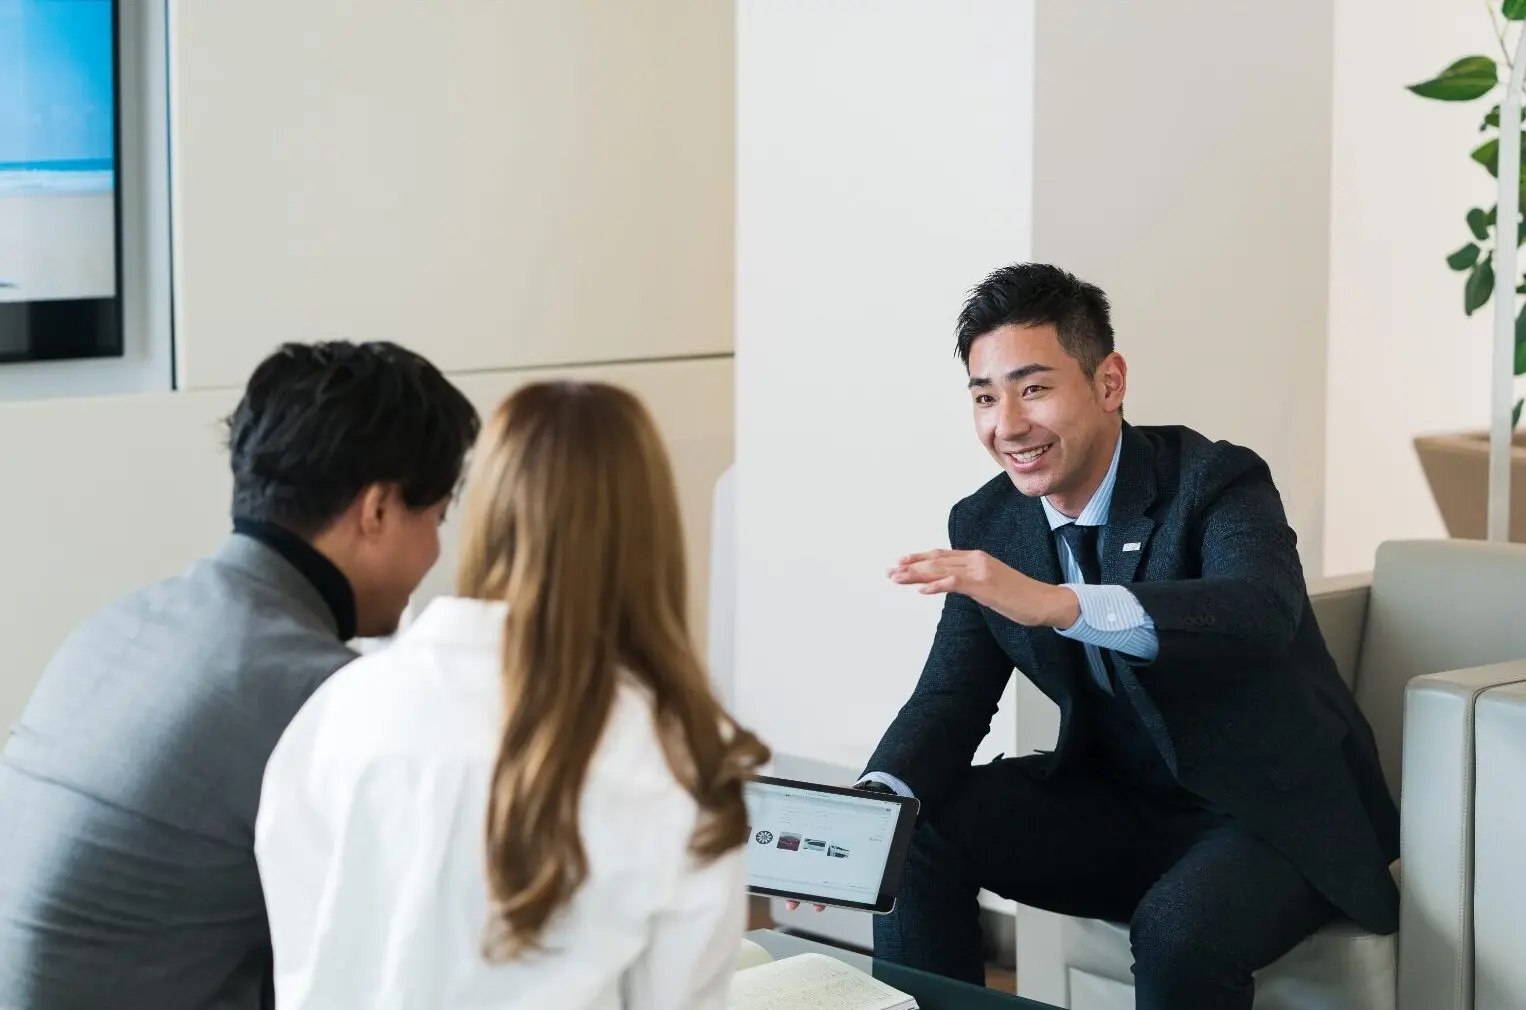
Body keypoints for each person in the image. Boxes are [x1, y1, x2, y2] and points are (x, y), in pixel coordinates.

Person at [855, 264, 1399, 1009]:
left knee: (1178, 930)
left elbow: (1259, 611)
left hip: (1267, 813)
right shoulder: (989, 520)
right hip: (1119, 804)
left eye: (1033, 389)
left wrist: (1062, 604)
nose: (1007, 425)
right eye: (985, 397)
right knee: (906, 833)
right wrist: (869, 807)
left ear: (1108, 383)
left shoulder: (1216, 480)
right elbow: (950, 699)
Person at [254, 381, 770, 1010]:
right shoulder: (678, 755)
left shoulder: (343, 709)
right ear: (649, 528)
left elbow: (304, 953)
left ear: (487, 511)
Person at [0, 341, 480, 1010]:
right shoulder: (322, 695)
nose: (435, 550)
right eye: (436, 518)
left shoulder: (122, 626)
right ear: (376, 510)